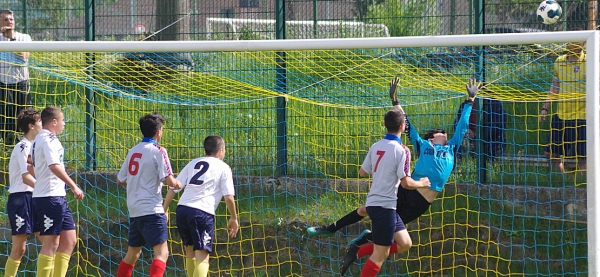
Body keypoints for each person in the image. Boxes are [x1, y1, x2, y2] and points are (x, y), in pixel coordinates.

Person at [307, 76, 480, 275]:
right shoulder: (423, 145)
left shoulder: (452, 148)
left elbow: (462, 126)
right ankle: (331, 228)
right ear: (432, 137)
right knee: (370, 209)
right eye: (441, 132)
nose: (446, 134)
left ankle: (358, 249)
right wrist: (396, 102)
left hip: (422, 203)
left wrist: (470, 101)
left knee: (402, 242)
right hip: (408, 190)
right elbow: (405, 124)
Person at [116, 112, 182, 277]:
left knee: (133, 254)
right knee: (162, 253)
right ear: (159, 131)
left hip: (135, 210)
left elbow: (120, 179)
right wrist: (178, 183)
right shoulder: (158, 150)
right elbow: (169, 180)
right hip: (151, 209)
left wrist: (138, 181)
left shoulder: (133, 150)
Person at [163, 135, 239, 277]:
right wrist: (234, 218)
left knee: (190, 252)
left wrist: (165, 209)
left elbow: (173, 187)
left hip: (182, 210)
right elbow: (228, 197)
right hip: (201, 213)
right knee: (202, 256)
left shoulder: (193, 163)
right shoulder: (223, 168)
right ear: (221, 150)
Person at [30, 106, 85, 277]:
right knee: (51, 244)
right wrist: (73, 185)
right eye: (62, 120)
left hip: (55, 196)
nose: (64, 124)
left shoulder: (41, 139)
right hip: (49, 198)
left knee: (69, 240)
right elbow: (53, 165)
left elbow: (31, 166)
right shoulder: (48, 140)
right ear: (54, 122)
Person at [539, 40, 586, 173]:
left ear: (583, 44)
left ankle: (584, 189)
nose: (573, 45)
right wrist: (545, 108)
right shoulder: (559, 61)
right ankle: (563, 181)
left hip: (583, 118)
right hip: (561, 116)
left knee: (584, 158)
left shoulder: (590, 61)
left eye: (577, 42)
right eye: (571, 42)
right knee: (550, 153)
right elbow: (555, 86)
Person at [4, 108, 41, 277]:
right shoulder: (22, 147)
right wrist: (43, 188)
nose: (43, 124)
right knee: (19, 248)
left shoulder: (39, 147)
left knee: (51, 243)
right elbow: (26, 177)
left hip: (37, 198)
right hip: (21, 199)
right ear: (31, 125)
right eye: (40, 121)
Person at [0, 9, 32, 145]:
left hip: (21, 81)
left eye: (11, 19)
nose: (9, 22)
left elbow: (24, 58)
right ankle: (8, 145)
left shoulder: (24, 37)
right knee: (6, 116)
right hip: (2, 82)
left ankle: (26, 143)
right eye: (5, 19)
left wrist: (12, 38)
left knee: (25, 115)